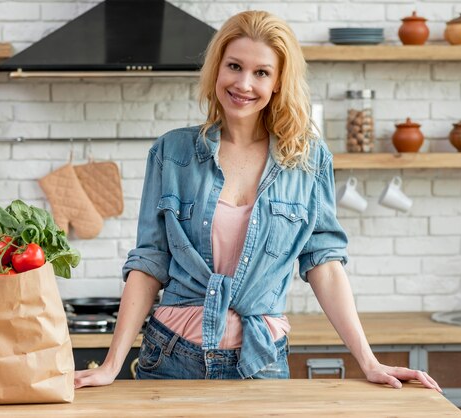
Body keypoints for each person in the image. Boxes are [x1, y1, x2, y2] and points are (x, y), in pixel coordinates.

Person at [74, 10, 441, 390]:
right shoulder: (172, 153)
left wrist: (369, 361)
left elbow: (325, 264)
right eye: (234, 66)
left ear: (279, 81)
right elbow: (149, 262)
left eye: (261, 72)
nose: (244, 83)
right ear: (217, 68)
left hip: (260, 359)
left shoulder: (308, 160)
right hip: (170, 355)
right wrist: (111, 364)